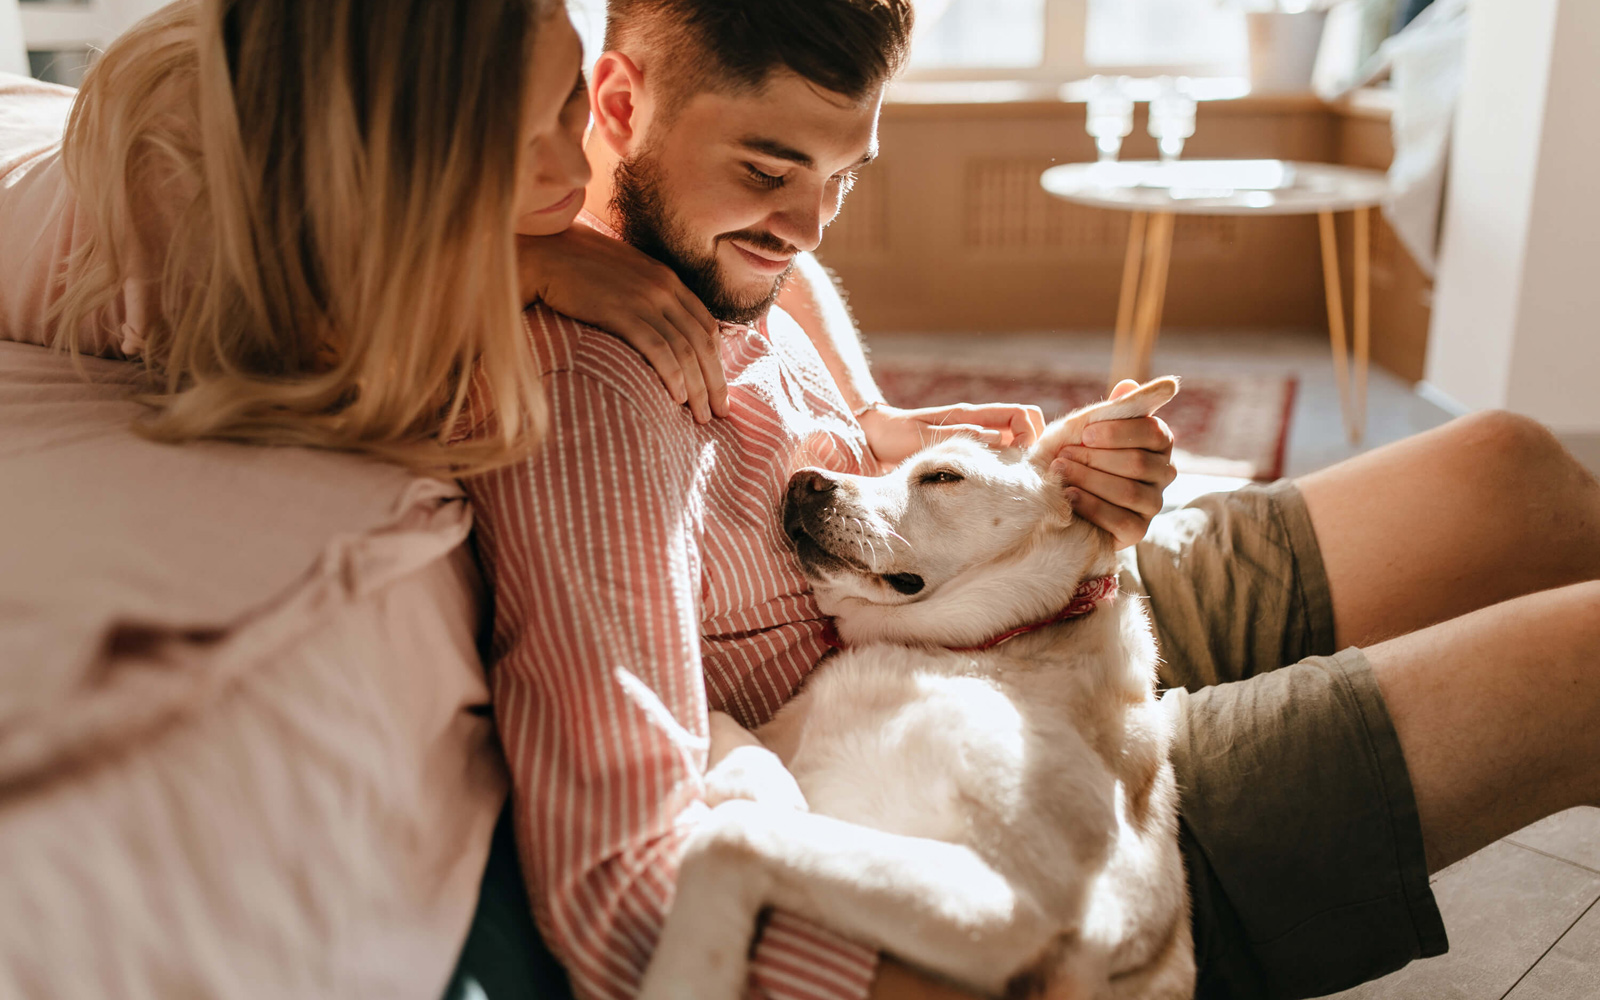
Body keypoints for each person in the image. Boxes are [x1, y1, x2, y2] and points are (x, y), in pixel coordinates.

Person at [457, 2, 1600, 1000]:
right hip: (1018, 804)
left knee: (1509, 466)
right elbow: (618, 883)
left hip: (1027, 611)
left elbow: (791, 272)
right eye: (768, 172)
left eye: (841, 179)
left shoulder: (708, 253)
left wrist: (889, 428)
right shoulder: (590, 399)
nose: (808, 227)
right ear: (615, 102)